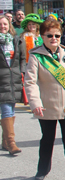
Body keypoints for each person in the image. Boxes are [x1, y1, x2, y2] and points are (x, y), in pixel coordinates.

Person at [24, 18, 65, 180]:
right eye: (50, 35)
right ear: (43, 37)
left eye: (57, 36)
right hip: (47, 105)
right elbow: (30, 83)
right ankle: (42, 170)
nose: (54, 39)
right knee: (47, 139)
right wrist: (35, 104)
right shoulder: (36, 57)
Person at [0, 15, 25, 155]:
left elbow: (22, 58)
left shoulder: (16, 40)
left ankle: (5, 141)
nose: (2, 27)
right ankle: (11, 143)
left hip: (14, 78)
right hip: (1, 79)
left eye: (5, 24)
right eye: (0, 24)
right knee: (7, 110)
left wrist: (22, 72)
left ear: (9, 25)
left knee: (11, 110)